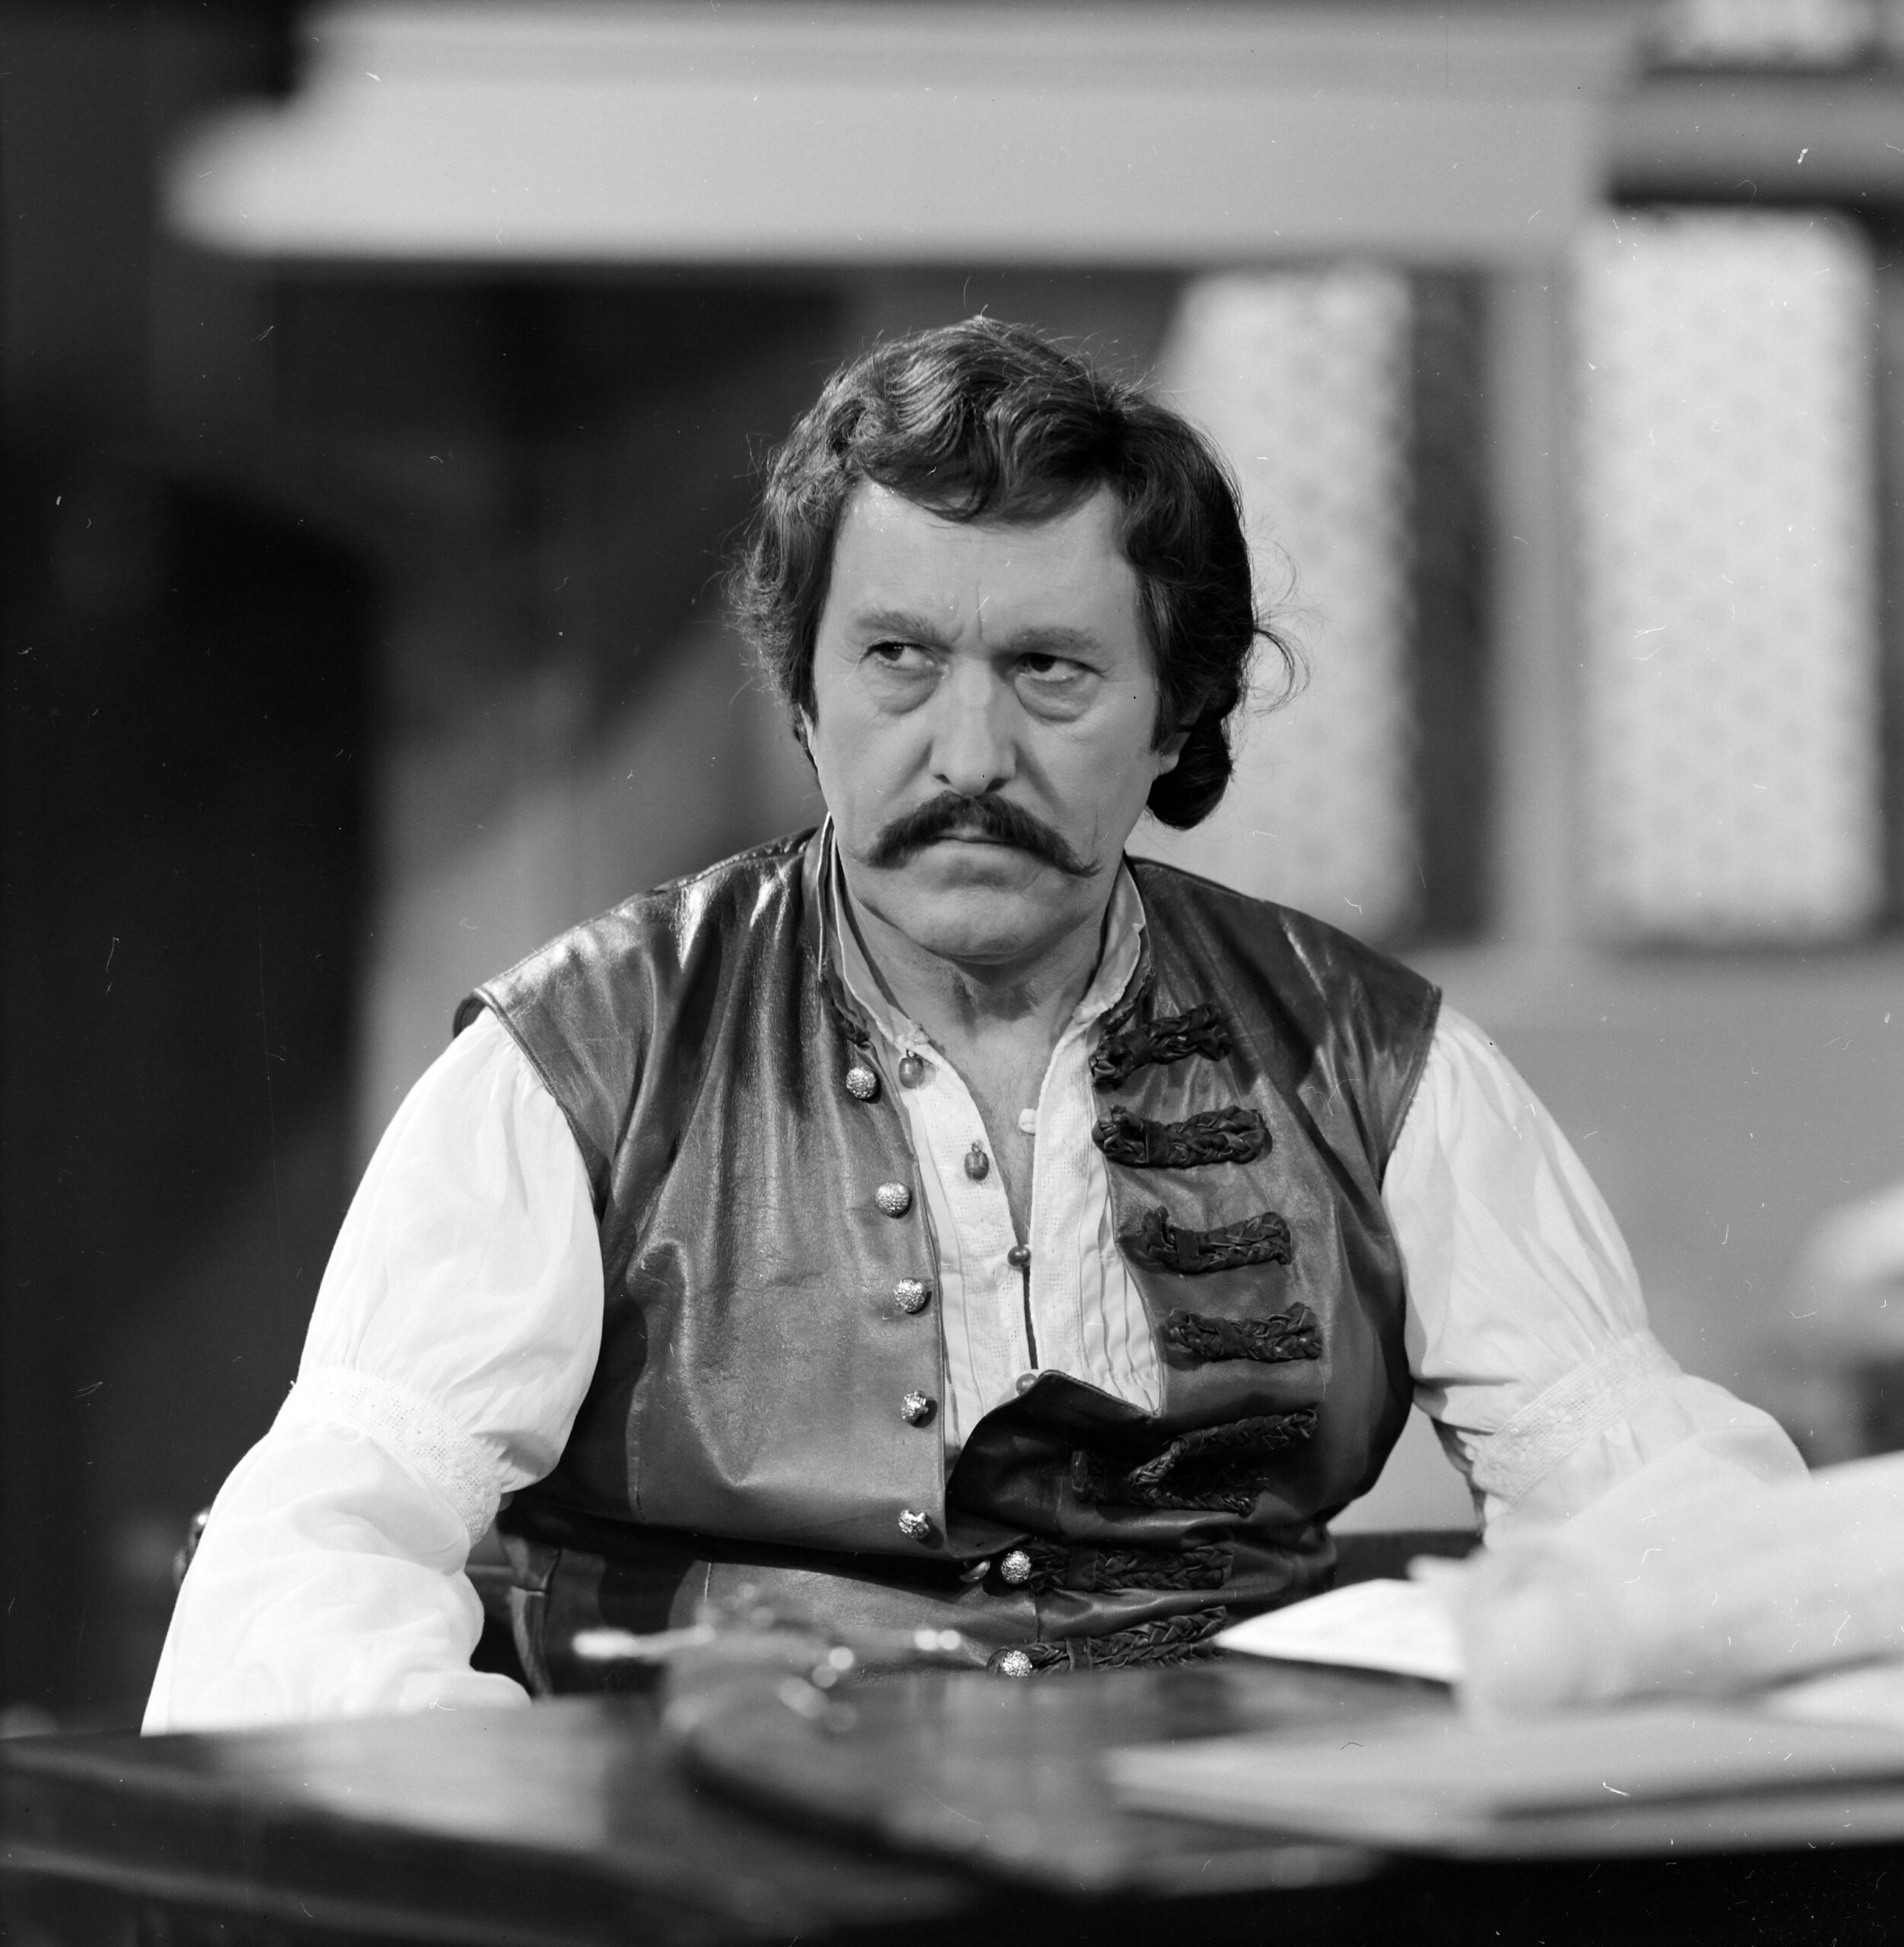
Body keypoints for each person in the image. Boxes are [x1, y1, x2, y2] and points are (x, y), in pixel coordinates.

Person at [145, 319, 1804, 1729]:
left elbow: (1669, 1520)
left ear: (1177, 714)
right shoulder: (576, 1063)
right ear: (804, 693)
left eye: (1050, 670)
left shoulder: (1379, 1065)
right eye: (897, 659)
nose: (967, 754)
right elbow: (323, 1555)